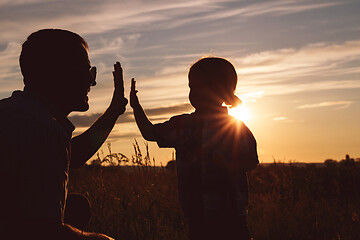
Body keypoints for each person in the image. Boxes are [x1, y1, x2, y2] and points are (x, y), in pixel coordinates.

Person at [0, 29, 128, 240]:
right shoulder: (43, 129)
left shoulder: (15, 112)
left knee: (76, 206)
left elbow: (72, 155)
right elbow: (44, 231)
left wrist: (113, 112)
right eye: (87, 72)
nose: (92, 82)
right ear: (59, 74)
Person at [130, 57, 259, 240]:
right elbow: (150, 133)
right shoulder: (182, 125)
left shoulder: (236, 128)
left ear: (222, 91)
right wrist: (136, 107)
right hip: (197, 215)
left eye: (201, 87)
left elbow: (252, 161)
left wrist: (229, 166)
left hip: (231, 216)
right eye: (191, 87)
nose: (194, 93)